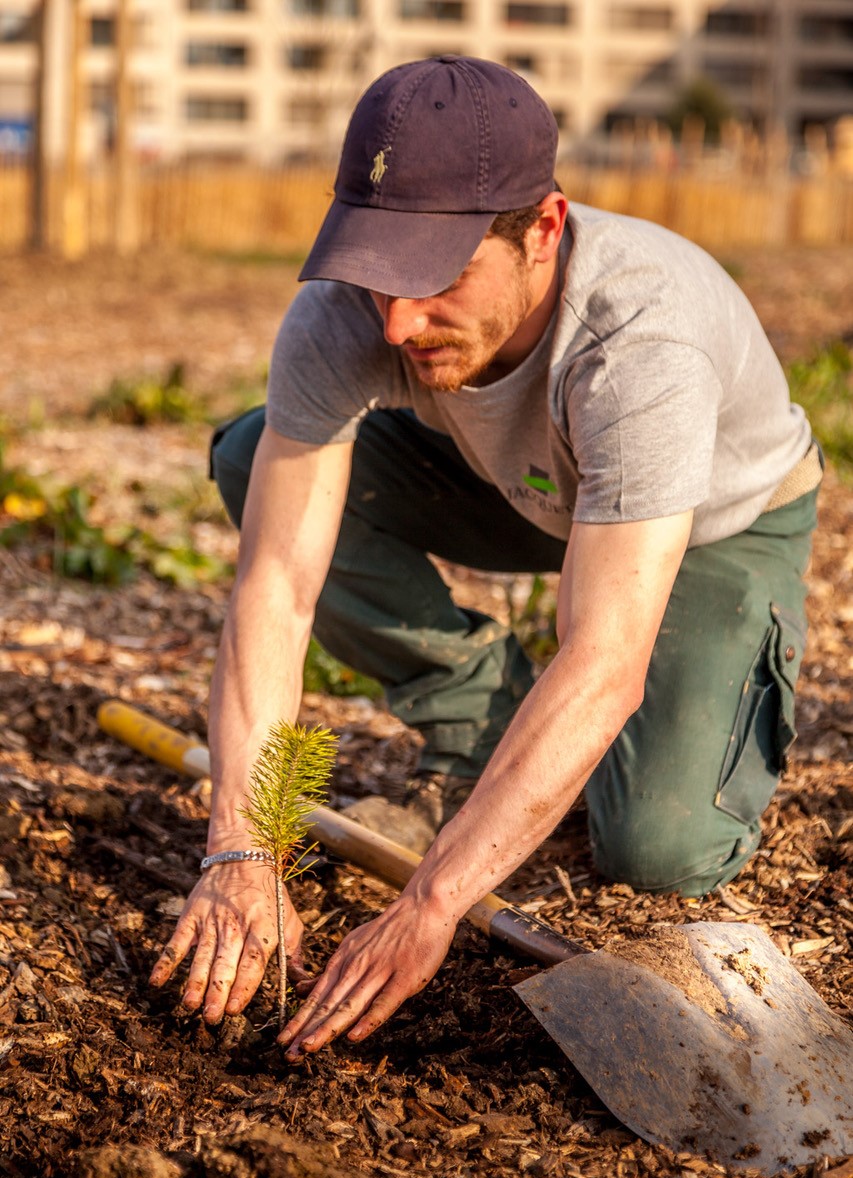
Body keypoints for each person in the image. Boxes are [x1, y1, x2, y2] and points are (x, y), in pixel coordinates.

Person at [149, 56, 822, 1060]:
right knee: (257, 459)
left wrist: (434, 899)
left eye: (434, 279)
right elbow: (279, 585)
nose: (396, 321)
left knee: (658, 845)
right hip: (516, 485)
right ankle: (483, 711)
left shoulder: (637, 341)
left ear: (543, 228)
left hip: (711, 522)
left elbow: (604, 656)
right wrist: (240, 850)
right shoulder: (351, 312)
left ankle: (566, 747)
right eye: (378, 272)